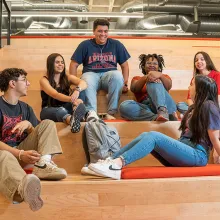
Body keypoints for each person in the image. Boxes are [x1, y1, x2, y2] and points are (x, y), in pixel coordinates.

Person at [88, 75, 220, 180]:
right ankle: (109, 160)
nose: (189, 87)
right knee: (146, 135)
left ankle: (117, 164)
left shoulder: (209, 106)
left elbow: (215, 139)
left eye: (192, 85)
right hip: (186, 151)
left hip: (197, 155)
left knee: (153, 136)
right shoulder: (195, 108)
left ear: (200, 89)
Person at [0, 68, 67, 211]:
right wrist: (19, 154)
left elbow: (40, 134)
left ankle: (44, 165)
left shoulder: (26, 108)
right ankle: (22, 189)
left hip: (21, 153)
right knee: (4, 155)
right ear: (12, 83)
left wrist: (30, 126)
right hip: (4, 158)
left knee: (47, 123)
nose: (28, 83)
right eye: (24, 80)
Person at [69, 19, 130, 120]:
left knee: (117, 75)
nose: (103, 34)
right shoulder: (85, 45)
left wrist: (126, 83)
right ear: (94, 31)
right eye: (100, 31)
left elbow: (125, 65)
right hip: (91, 74)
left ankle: (111, 112)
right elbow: (73, 64)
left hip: (109, 76)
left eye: (105, 31)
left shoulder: (116, 44)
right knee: (86, 79)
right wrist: (73, 82)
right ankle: (91, 112)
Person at [119, 53, 177, 121]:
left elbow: (168, 86)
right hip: (147, 108)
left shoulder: (164, 76)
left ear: (159, 66)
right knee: (124, 106)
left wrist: (160, 76)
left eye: (155, 63)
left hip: (167, 106)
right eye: (148, 63)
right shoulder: (137, 78)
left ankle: (163, 112)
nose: (152, 65)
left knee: (153, 80)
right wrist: (147, 77)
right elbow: (134, 89)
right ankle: (156, 118)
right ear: (143, 66)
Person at [40, 53, 87, 133]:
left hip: (66, 107)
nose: (60, 64)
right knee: (61, 111)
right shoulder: (44, 80)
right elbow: (55, 94)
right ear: (51, 64)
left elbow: (84, 83)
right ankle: (73, 120)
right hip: (48, 110)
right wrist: (72, 99)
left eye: (62, 62)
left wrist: (77, 90)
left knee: (81, 90)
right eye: (57, 62)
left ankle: (77, 112)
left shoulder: (67, 77)